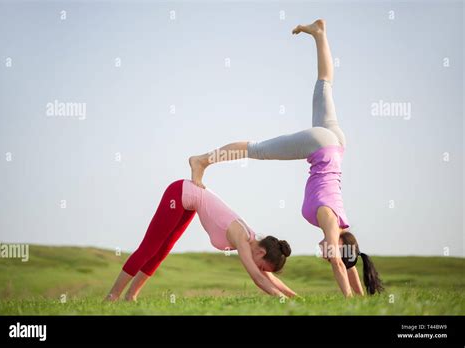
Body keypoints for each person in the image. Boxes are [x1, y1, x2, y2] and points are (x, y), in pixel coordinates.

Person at [189, 19, 383, 297]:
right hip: (321, 147)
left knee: (324, 85)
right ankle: (202, 160)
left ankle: (319, 34)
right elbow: (340, 263)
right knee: (256, 149)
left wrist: (363, 300)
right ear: (337, 246)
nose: (326, 255)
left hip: (336, 145)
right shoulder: (330, 221)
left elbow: (348, 262)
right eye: (330, 253)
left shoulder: (343, 227)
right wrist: (350, 302)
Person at [106, 179, 296, 301]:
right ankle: (112, 296)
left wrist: (294, 297)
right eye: (263, 266)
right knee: (149, 249)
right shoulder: (242, 238)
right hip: (180, 192)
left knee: (161, 252)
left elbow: (266, 276)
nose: (262, 271)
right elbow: (257, 277)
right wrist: (283, 301)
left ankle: (131, 296)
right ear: (261, 253)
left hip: (190, 201)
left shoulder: (253, 240)